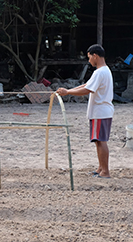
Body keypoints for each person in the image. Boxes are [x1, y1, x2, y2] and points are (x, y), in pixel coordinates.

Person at [56, 44, 114, 179]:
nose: (89, 61)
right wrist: (68, 90)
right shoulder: (103, 71)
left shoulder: (100, 72)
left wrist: (68, 92)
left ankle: (105, 171)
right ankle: (101, 168)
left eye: (89, 58)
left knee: (101, 140)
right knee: (98, 140)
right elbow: (87, 85)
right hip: (100, 111)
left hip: (101, 111)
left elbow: (87, 90)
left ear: (95, 56)